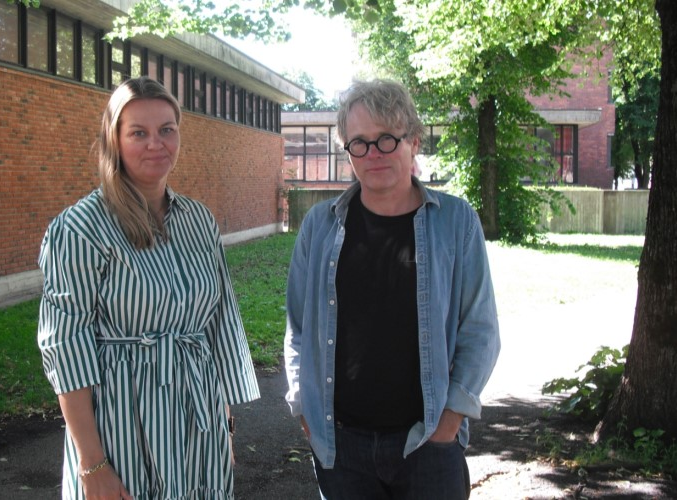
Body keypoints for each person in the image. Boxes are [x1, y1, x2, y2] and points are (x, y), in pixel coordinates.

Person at [37, 76, 260, 500]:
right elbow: (65, 346)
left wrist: (224, 423)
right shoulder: (81, 229)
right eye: (138, 132)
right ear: (114, 140)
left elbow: (219, 322)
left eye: (166, 130)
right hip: (121, 424)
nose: (155, 144)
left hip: (198, 420)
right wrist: (91, 464)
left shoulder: (198, 220)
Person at [284, 79, 501, 499]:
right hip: (341, 446)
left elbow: (480, 329)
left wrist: (450, 421)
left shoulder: (455, 222)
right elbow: (298, 328)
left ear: (414, 141)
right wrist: (303, 410)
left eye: (386, 139)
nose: (374, 154)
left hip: (427, 444)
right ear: (347, 151)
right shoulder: (320, 226)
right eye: (359, 143)